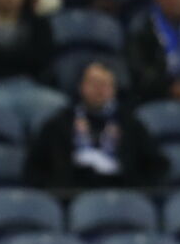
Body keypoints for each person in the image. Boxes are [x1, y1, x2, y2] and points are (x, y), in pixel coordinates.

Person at [24, 62, 169, 190]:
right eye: (93, 83)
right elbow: (34, 166)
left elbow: (158, 165)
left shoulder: (130, 124)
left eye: (105, 84)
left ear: (113, 90)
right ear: (81, 86)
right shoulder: (59, 123)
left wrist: (135, 187)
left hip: (121, 192)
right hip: (71, 195)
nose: (99, 89)